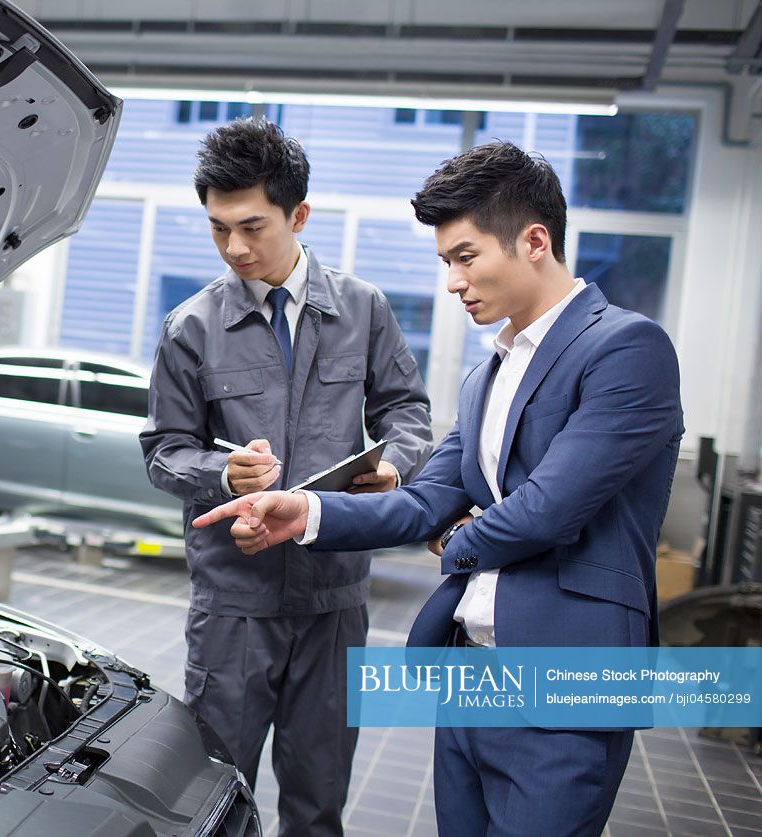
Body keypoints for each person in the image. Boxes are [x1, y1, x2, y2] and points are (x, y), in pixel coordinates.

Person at [191, 140, 684, 836]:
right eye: (444, 262)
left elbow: (544, 510)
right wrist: (301, 511)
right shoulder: (488, 374)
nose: (451, 281)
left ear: (533, 241)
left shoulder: (625, 349)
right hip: (470, 676)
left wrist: (458, 539)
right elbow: (424, 498)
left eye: (464, 256)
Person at [139, 118, 433, 837]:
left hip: (333, 600)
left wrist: (396, 461)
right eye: (217, 229)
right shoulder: (190, 327)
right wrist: (221, 472)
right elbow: (162, 451)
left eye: (251, 226)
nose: (234, 248)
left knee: (318, 797)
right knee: (213, 795)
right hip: (233, 605)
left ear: (298, 215)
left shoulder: (362, 309)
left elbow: (408, 411)